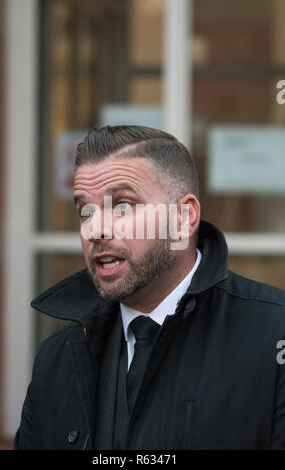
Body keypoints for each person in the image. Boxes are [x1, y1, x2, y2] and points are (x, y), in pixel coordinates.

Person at [14, 125, 285, 450]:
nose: (95, 230)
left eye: (123, 206)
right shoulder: (57, 359)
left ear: (183, 218)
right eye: (85, 210)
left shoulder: (272, 338)